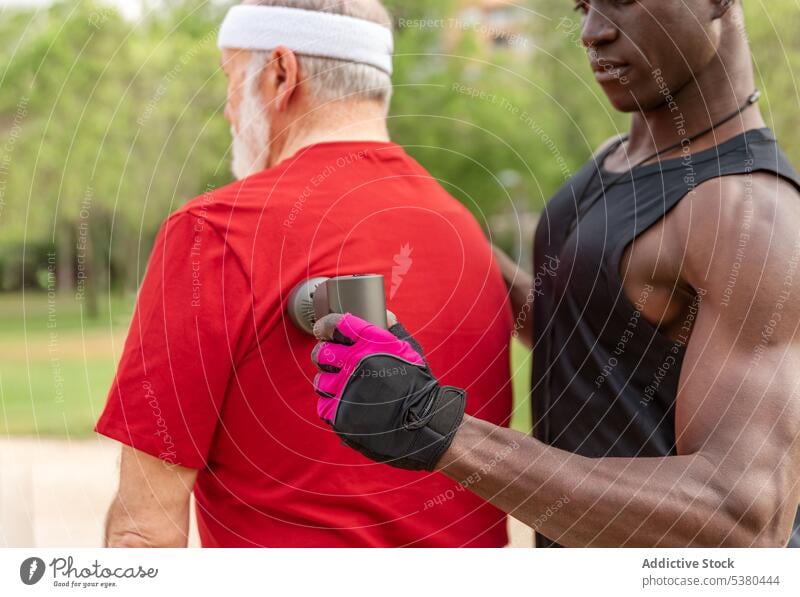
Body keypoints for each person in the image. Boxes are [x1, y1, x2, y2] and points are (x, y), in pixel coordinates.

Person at [311, 0, 800, 547]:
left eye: (620, 2)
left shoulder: (750, 212)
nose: (591, 32)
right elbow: (579, 328)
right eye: (584, 6)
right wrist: (433, 225)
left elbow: (743, 519)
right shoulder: (616, 160)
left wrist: (435, 427)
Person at [96, 0, 513, 547]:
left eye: (231, 77)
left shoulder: (215, 232)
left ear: (281, 74)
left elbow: (143, 534)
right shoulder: (467, 237)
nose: (227, 109)